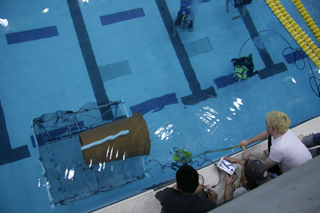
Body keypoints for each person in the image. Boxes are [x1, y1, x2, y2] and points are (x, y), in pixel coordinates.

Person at [238, 111, 312, 175]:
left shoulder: (279, 148)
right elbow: (267, 134)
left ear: (272, 128)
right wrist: (248, 141)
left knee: (254, 169)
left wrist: (248, 157)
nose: (265, 124)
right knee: (271, 137)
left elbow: (265, 165)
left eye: (266, 123)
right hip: (306, 162)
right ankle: (273, 157)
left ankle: (272, 158)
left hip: (292, 173)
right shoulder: (285, 129)